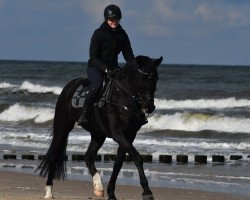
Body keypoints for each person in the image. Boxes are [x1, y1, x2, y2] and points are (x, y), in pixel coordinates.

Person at [77, 4, 134, 126]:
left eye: (116, 19)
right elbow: (93, 57)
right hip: (95, 68)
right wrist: (106, 69)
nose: (114, 22)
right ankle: (84, 115)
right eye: (111, 19)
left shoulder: (122, 35)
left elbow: (128, 56)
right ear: (106, 19)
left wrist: (134, 68)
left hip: (113, 69)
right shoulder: (98, 33)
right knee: (97, 86)